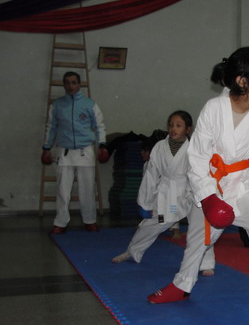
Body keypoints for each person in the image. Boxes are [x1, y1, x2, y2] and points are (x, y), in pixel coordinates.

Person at [145, 47, 249, 325]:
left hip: (247, 185)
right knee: (198, 240)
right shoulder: (213, 109)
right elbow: (198, 155)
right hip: (214, 183)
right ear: (242, 80)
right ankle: (182, 285)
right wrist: (208, 197)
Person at [111, 111, 215, 275]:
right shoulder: (160, 147)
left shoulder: (195, 147)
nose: (173, 129)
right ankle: (133, 251)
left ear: (188, 129)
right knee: (152, 223)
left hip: (193, 190)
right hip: (170, 193)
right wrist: (145, 202)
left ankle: (206, 263)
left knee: (202, 226)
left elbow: (203, 170)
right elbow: (151, 174)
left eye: (178, 126)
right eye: (171, 125)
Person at [41, 71, 109, 234]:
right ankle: (60, 222)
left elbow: (99, 126)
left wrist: (102, 145)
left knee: (87, 189)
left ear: (79, 84)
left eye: (73, 82)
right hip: (64, 152)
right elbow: (51, 127)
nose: (70, 86)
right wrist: (46, 148)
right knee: (62, 190)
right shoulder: (57, 105)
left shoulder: (89, 104)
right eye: (67, 83)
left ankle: (90, 220)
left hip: (85, 151)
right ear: (64, 85)